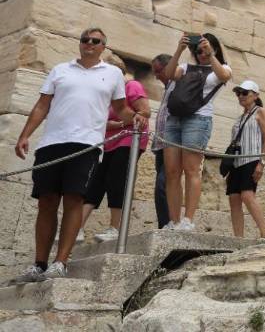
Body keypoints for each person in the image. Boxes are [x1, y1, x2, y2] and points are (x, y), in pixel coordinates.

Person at [11, 28, 143, 283]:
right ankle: (39, 264)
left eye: (96, 41)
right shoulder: (60, 70)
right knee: (46, 201)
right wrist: (25, 135)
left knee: (74, 200)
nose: (89, 43)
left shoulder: (113, 74)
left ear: (103, 46)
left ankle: (60, 262)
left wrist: (136, 117)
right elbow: (42, 105)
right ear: (80, 43)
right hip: (51, 142)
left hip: (87, 144)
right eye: (85, 40)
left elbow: (120, 108)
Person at [163, 32, 232, 231]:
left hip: (198, 119)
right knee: (172, 172)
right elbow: (169, 74)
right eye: (199, 50)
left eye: (205, 49)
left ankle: (188, 220)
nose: (201, 53)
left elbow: (224, 76)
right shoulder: (186, 67)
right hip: (174, 119)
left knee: (192, 169)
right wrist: (179, 49)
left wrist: (211, 55)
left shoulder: (222, 67)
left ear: (215, 48)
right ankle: (174, 220)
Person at [80, 54, 150, 242]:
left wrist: (118, 124)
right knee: (95, 181)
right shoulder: (107, 93)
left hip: (129, 139)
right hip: (108, 142)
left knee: (116, 180)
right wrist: (115, 123)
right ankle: (78, 227)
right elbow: (98, 120)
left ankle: (115, 228)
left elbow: (144, 112)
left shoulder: (132, 86)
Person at [225, 81, 265, 240]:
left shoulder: (261, 112)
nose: (241, 96)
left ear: (255, 95)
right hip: (236, 162)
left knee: (247, 195)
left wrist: (262, 162)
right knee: (233, 198)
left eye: (245, 92)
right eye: (238, 93)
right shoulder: (239, 118)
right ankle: (238, 238)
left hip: (251, 159)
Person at [149, 54, 173, 229]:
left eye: (158, 71)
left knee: (162, 185)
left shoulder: (178, 85)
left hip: (173, 144)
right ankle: (163, 225)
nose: (156, 76)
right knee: (161, 186)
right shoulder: (167, 89)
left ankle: (168, 224)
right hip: (160, 145)